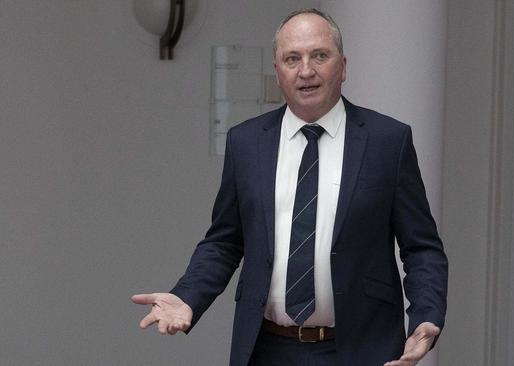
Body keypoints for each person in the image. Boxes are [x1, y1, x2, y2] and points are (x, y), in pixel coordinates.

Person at [132, 8, 447, 366]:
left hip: (362, 348)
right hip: (268, 349)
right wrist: (187, 296)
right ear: (278, 71)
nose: (306, 71)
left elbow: (421, 247)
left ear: (343, 66)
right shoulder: (246, 143)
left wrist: (427, 315)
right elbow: (224, 242)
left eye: (320, 56)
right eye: (292, 58)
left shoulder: (388, 141)